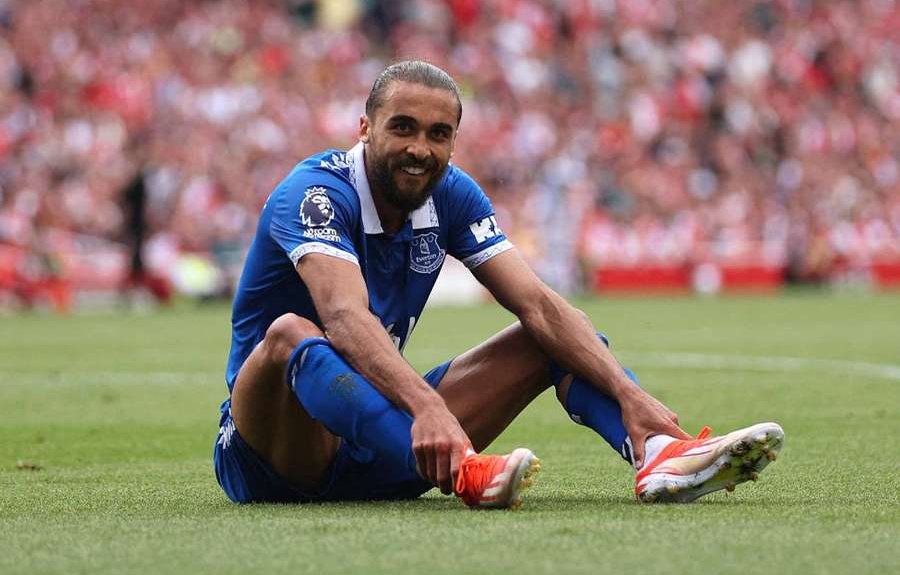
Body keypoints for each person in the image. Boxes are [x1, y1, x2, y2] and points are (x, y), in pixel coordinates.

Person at [213, 60, 784, 508]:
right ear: (364, 129)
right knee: (291, 331)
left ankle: (657, 453)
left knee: (547, 334)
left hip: (394, 446)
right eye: (403, 127)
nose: (420, 148)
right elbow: (342, 317)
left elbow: (538, 303)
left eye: (439, 134)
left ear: (454, 141)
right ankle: (466, 468)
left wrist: (631, 393)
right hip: (275, 456)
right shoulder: (314, 192)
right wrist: (428, 407)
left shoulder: (452, 194)